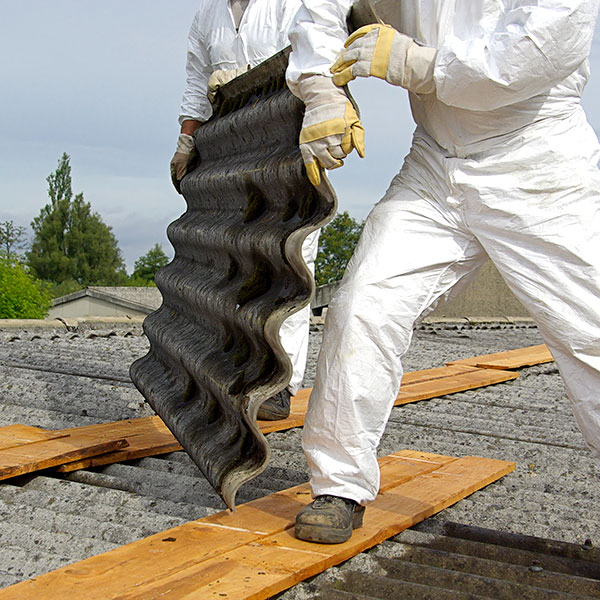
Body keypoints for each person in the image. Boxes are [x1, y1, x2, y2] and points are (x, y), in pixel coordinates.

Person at [286, 0, 600, 543]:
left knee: (591, 333)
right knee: (363, 305)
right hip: (435, 163)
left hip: (540, 162)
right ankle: (339, 485)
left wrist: (419, 65)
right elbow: (321, 9)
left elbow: (541, 49)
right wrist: (320, 92)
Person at [170, 0, 320, 420]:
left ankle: (280, 383)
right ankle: (237, 368)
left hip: (291, 141)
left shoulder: (292, 4)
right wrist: (187, 140)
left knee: (290, 259)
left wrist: (252, 82)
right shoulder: (208, 16)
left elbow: (316, 56)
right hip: (234, 150)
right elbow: (197, 80)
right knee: (236, 259)